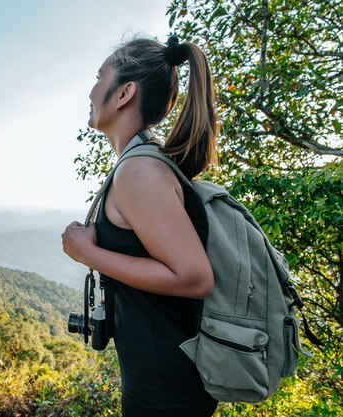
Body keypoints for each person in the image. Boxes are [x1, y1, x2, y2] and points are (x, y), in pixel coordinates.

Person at [61, 36, 219, 417]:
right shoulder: (141, 161)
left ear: (124, 92)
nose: (92, 89)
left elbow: (194, 277)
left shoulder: (139, 171)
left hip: (165, 391)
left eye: (101, 77)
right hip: (164, 379)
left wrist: (89, 253)